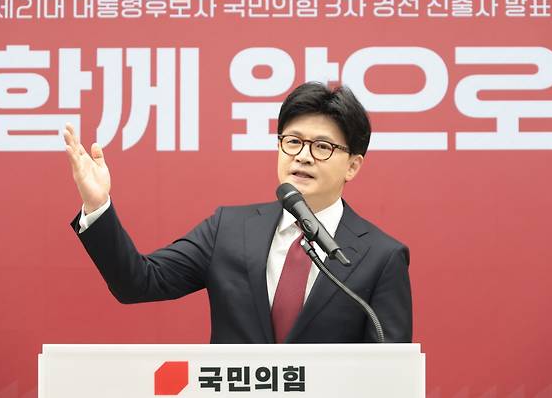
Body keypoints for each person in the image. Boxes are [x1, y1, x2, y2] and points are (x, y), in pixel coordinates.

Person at [64, 82, 412, 343]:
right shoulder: (227, 230)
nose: (303, 156)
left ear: (352, 166)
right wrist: (97, 206)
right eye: (293, 141)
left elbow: (389, 373)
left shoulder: (382, 257)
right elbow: (138, 282)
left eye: (322, 146)